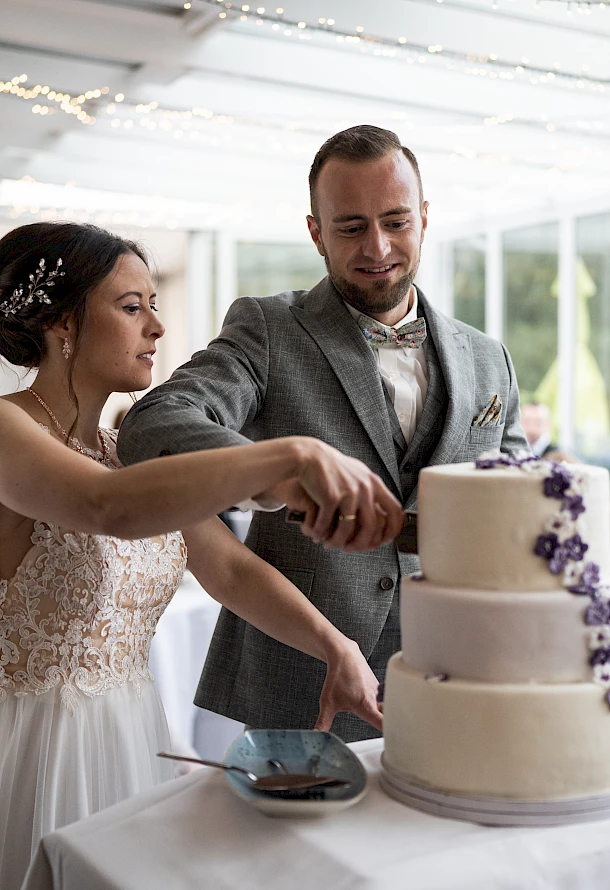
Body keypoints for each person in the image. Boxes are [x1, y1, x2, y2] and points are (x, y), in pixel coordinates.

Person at [0, 221, 404, 888]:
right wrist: (290, 452)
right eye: (132, 308)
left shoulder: (125, 447)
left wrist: (335, 646)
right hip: (34, 744)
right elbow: (109, 507)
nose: (156, 329)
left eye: (155, 306)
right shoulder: (8, 428)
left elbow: (228, 568)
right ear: (61, 323)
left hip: (128, 729)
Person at [118, 125, 529, 744]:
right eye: (351, 227)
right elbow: (154, 424)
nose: (378, 246)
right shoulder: (268, 328)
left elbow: (518, 493)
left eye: (395, 221)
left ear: (424, 216)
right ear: (315, 231)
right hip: (303, 681)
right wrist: (275, 468)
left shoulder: (487, 356)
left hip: (459, 670)